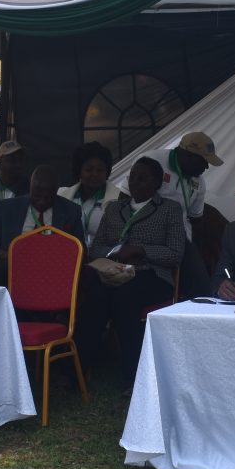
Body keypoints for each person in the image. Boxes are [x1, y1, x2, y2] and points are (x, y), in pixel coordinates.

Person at [81, 156, 185, 369]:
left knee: (123, 296)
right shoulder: (114, 208)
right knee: (93, 296)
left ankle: (132, 372)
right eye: (132, 178)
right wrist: (117, 252)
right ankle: (80, 368)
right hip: (111, 272)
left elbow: (175, 253)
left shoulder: (169, 209)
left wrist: (142, 250)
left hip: (152, 274)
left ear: (157, 183)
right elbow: (95, 249)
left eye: (142, 178)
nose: (135, 183)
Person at [137, 131, 222, 298]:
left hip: (178, 238)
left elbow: (196, 221)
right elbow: (125, 198)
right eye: (204, 161)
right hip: (143, 233)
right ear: (187, 155)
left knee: (201, 286)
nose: (206, 167)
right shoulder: (152, 161)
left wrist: (196, 253)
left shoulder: (198, 182)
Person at [0, 165, 85, 254]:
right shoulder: (6, 208)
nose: (41, 202)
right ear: (30, 188)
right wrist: (10, 257)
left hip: (54, 264)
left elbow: (81, 251)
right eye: (37, 196)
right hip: (12, 264)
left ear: (56, 192)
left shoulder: (71, 212)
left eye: (47, 198)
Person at [58, 141, 121, 248]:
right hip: (70, 254)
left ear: (107, 172)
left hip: (105, 256)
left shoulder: (119, 198)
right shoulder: (62, 196)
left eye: (100, 170)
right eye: (89, 170)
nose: (95, 174)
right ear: (79, 171)